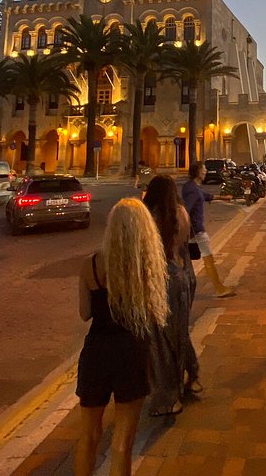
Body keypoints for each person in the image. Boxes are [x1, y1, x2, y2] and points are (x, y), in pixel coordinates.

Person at [73, 198, 168, 476]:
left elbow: (84, 314)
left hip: (97, 351)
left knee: (88, 437)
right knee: (122, 443)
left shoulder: (90, 265)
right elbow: (153, 313)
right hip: (131, 352)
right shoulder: (145, 267)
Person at [143, 175, 200, 414]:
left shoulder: (153, 218)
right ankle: (193, 375)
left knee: (164, 339)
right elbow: (189, 243)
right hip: (186, 276)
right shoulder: (182, 213)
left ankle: (170, 394)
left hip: (165, 280)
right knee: (180, 331)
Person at [181, 162, 236, 298]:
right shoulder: (192, 189)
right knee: (207, 257)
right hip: (196, 230)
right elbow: (186, 209)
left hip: (194, 230)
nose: (205, 172)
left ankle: (187, 286)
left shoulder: (194, 187)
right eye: (204, 169)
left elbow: (206, 196)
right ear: (198, 172)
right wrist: (187, 228)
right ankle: (219, 288)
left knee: (186, 259)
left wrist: (223, 197)